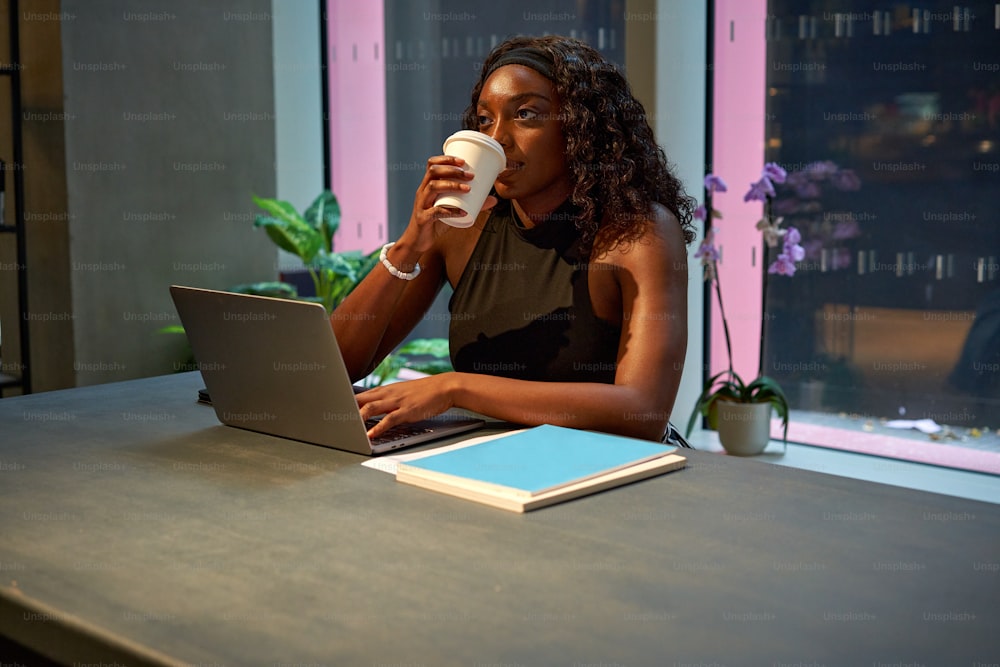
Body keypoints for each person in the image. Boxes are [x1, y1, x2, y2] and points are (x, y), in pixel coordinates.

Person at [331, 35, 696, 443]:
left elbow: (642, 412)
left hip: (613, 473)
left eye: (525, 114)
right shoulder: (465, 226)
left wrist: (456, 388)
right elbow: (336, 368)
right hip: (495, 464)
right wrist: (410, 244)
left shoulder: (637, 232)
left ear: (579, 128)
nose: (497, 139)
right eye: (485, 120)